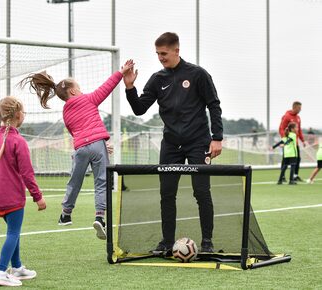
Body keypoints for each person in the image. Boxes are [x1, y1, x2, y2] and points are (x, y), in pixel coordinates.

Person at [123, 32, 223, 255]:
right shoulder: (158, 79)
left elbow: (214, 105)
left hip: (199, 143)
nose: (160, 58)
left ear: (176, 50)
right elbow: (139, 109)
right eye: (157, 54)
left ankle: (207, 242)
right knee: (167, 194)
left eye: (164, 53)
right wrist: (130, 88)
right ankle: (167, 242)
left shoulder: (198, 74)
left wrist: (217, 137)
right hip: (170, 144)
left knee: (201, 192)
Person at [20, 60, 134, 240]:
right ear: (73, 91)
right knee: (102, 181)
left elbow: (77, 133)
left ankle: (65, 214)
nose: (81, 91)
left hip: (80, 148)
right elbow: (107, 87)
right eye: (79, 88)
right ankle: (100, 217)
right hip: (97, 145)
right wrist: (121, 72)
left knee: (75, 181)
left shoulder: (65, 112)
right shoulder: (88, 99)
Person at [0, 96, 47, 287]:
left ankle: (17, 267)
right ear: (18, 115)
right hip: (13, 198)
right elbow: (27, 173)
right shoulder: (18, 141)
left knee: (13, 231)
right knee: (13, 233)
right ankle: (0, 271)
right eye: (23, 111)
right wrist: (38, 197)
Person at [278, 101, 306, 181]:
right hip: (288, 143)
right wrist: (284, 139)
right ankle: (282, 176)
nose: (300, 109)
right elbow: (281, 128)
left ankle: (295, 175)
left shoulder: (298, 118)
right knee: (285, 159)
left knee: (298, 159)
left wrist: (303, 140)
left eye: (301, 108)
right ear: (294, 107)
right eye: (299, 108)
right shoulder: (286, 116)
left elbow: (299, 130)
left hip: (295, 143)